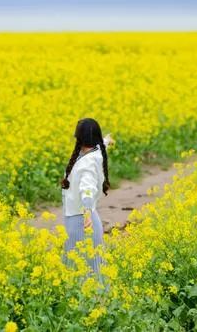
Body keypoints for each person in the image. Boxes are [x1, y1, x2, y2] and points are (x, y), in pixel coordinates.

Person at [60, 118, 113, 284]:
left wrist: (87, 212)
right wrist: (106, 141)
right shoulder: (96, 152)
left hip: (81, 222)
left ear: (78, 138)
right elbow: (99, 146)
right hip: (84, 218)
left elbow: (87, 188)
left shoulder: (87, 163)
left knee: (78, 271)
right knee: (91, 269)